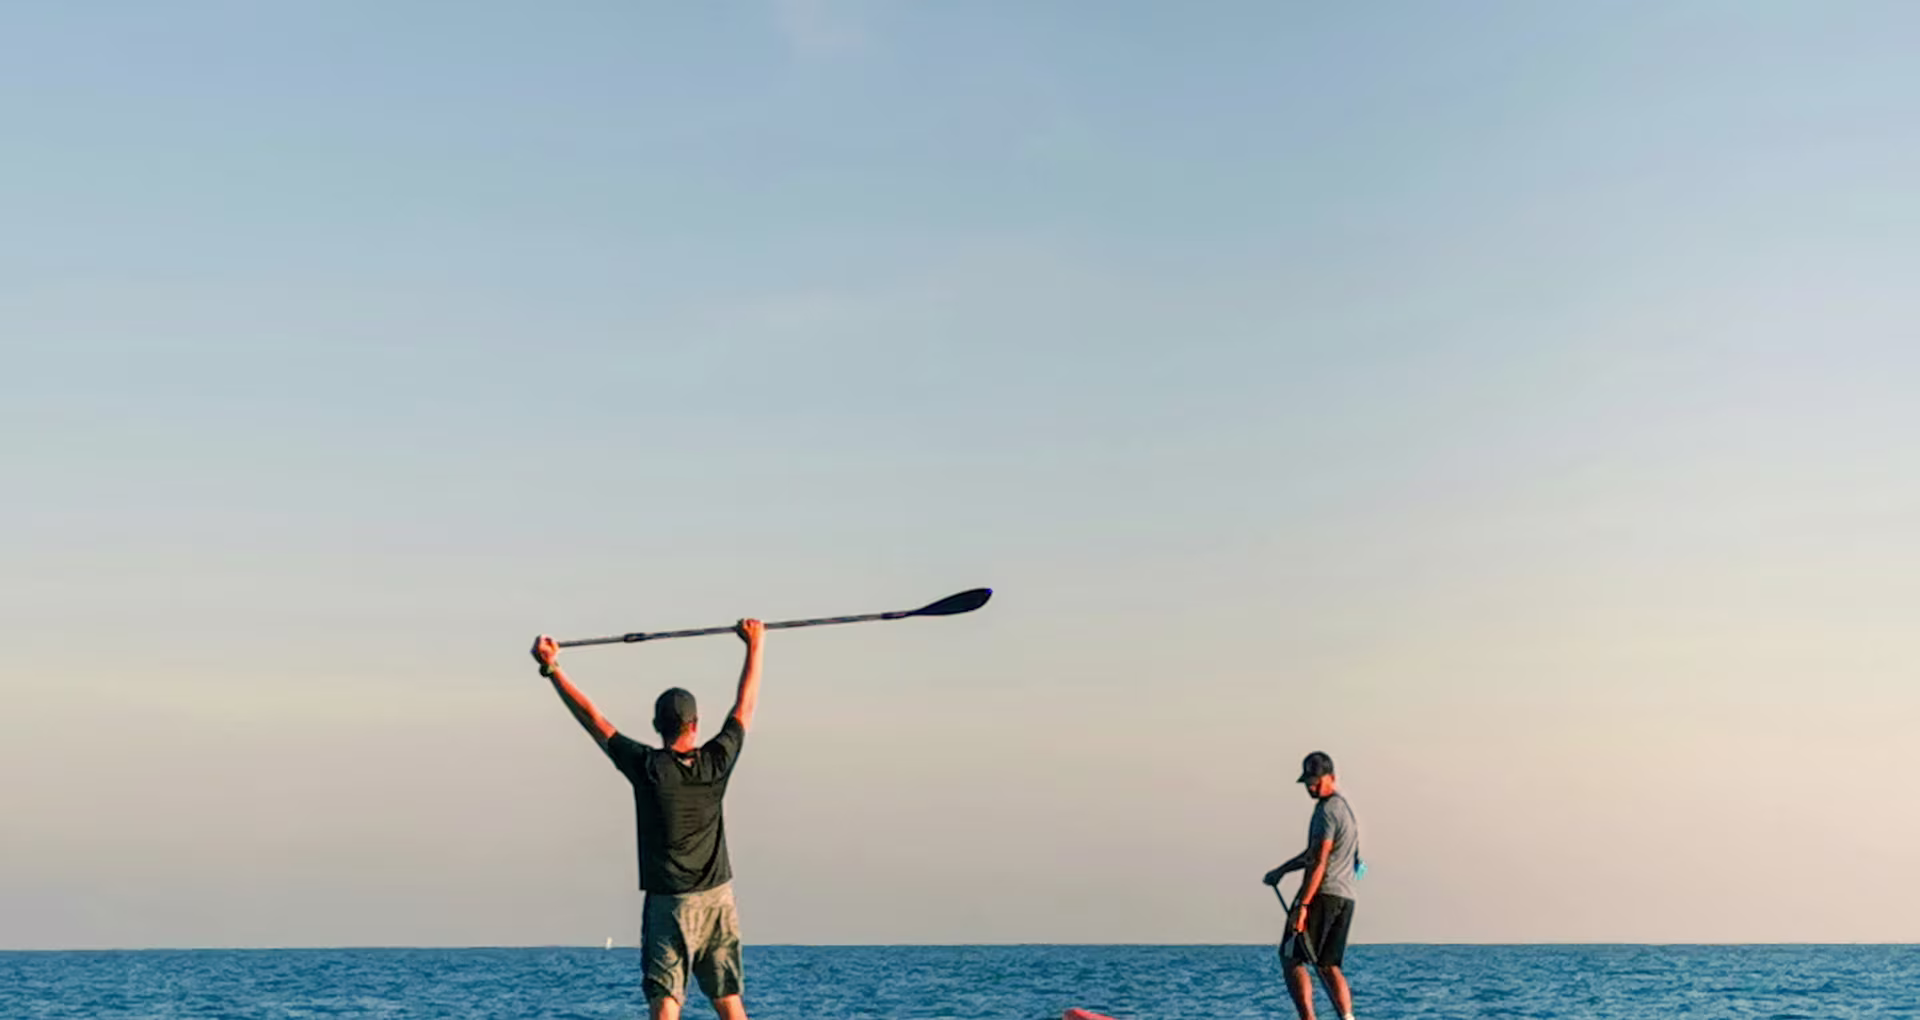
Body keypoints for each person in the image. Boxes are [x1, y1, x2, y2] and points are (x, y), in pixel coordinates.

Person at [529, 618, 766, 1020]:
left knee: (665, 1002)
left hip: (669, 904)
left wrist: (553, 669)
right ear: (695, 725)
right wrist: (755, 644)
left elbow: (594, 720)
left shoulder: (648, 767)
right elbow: (744, 706)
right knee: (728, 1000)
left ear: (658, 727)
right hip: (718, 899)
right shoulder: (717, 761)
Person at [1262, 751, 1360, 1020]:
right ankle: (1348, 1018)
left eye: (1316, 781)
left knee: (1290, 957)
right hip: (1345, 897)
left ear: (1332, 778)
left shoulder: (1327, 811)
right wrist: (1282, 870)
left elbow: (1318, 861)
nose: (1311, 787)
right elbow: (1313, 854)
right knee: (1328, 964)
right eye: (1308, 781)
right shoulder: (1344, 810)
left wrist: (1303, 906)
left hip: (1323, 895)